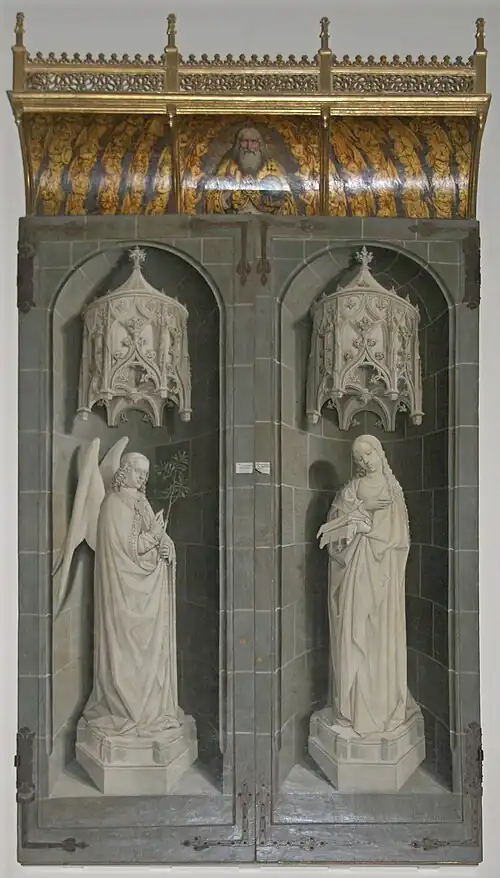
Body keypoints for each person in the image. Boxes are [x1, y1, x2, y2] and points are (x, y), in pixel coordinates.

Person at [317, 435, 415, 737]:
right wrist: (359, 513)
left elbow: (401, 540)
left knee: (379, 638)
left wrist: (373, 533)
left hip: (383, 577)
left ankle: (381, 711)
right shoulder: (351, 490)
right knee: (354, 633)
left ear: (379, 452)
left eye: (368, 454)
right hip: (356, 575)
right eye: (358, 457)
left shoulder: (393, 490)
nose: (365, 461)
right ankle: (353, 710)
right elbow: (332, 533)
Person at [82, 451, 180, 737]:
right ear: (124, 470)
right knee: (126, 653)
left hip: (146, 592)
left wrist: (166, 543)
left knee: (150, 653)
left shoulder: (141, 501)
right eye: (138, 472)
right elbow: (126, 550)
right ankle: (127, 708)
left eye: (145, 474)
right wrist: (154, 537)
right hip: (123, 592)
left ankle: (151, 708)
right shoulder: (113, 504)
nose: (143, 478)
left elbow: (154, 533)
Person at [201, 124, 297, 215]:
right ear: (239, 144)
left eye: (253, 142)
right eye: (245, 141)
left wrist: (277, 202)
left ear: (259, 145)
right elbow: (211, 200)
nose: (249, 147)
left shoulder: (272, 167)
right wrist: (227, 193)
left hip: (266, 223)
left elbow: (288, 201)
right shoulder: (228, 166)